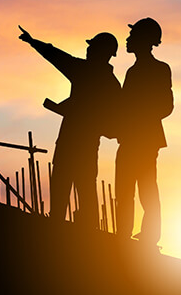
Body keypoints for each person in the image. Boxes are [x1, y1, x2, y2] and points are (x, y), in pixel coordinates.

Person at [18, 25, 120, 228]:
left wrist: (33, 41)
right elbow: (57, 56)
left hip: (73, 143)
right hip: (84, 146)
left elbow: (56, 56)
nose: (88, 50)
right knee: (84, 191)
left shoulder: (86, 72)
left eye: (92, 47)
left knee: (67, 191)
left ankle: (63, 235)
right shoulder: (112, 84)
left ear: (102, 52)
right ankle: (86, 236)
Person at [114, 17, 173, 246]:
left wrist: (138, 116)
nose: (128, 40)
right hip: (129, 139)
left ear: (144, 40)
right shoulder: (131, 72)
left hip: (145, 140)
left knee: (147, 189)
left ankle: (149, 236)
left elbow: (166, 106)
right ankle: (123, 235)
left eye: (132, 36)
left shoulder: (159, 69)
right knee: (124, 190)